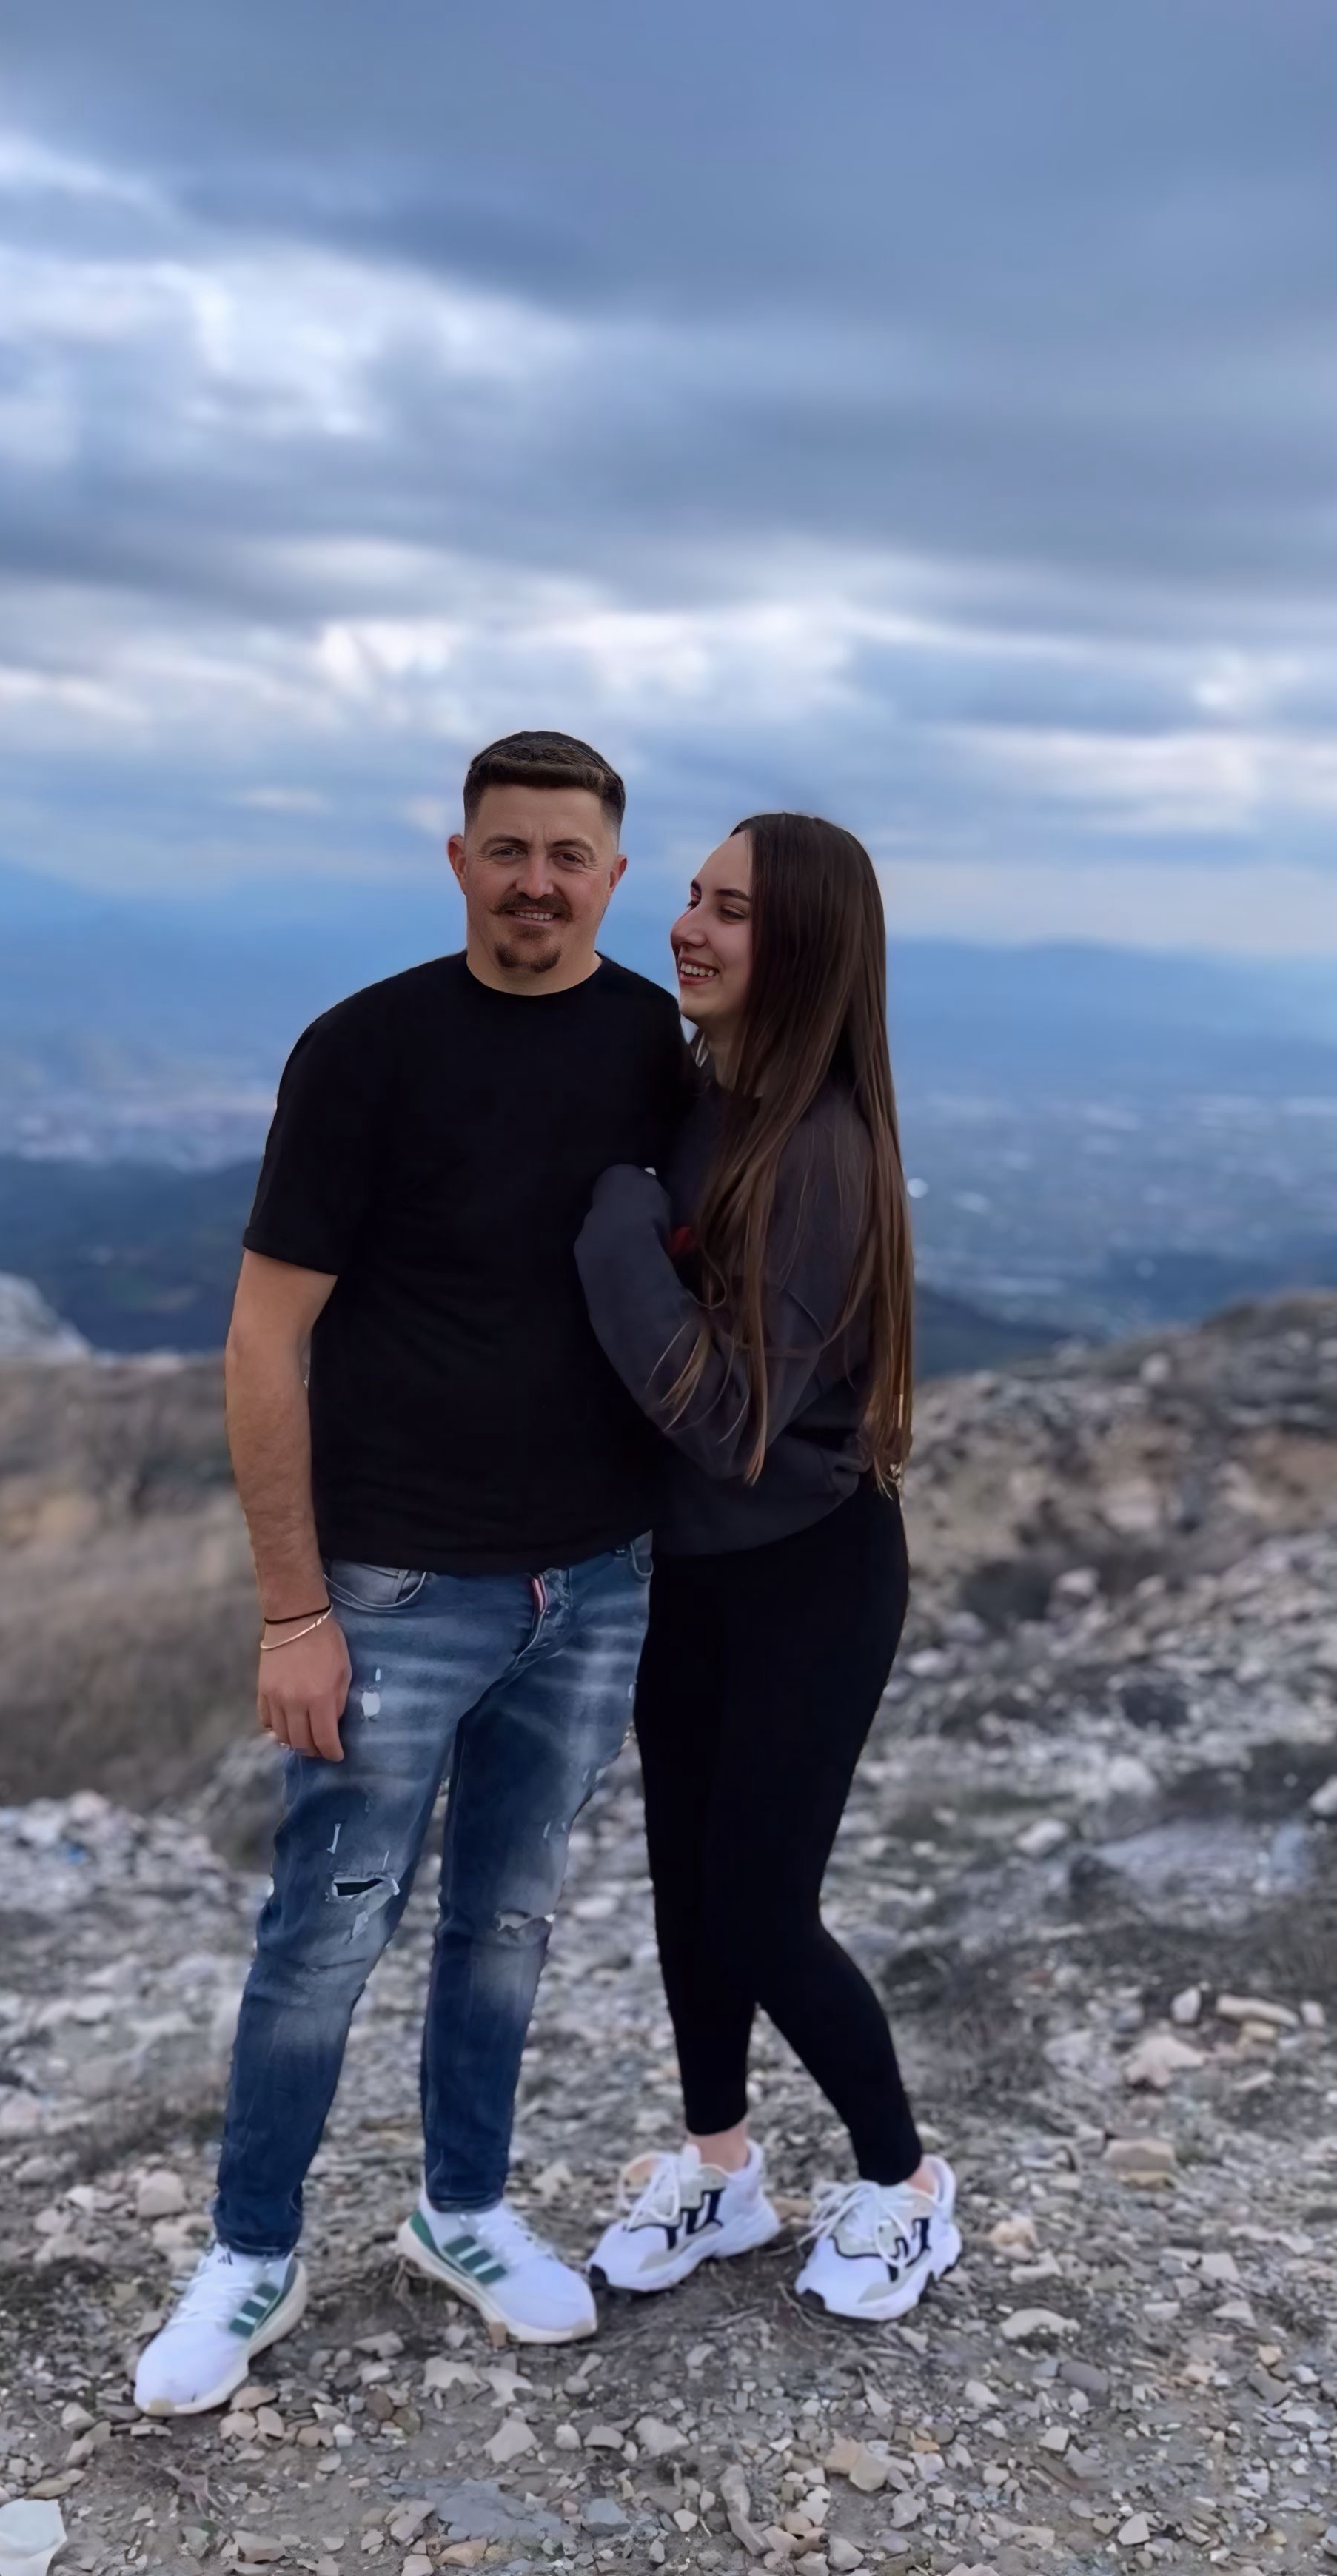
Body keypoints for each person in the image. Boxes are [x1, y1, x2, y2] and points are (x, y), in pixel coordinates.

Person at [134, 731, 690, 2413]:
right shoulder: (365, 1049)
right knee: (325, 1931)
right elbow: (263, 1339)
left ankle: (463, 2211)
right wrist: (292, 1609)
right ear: (458, 861)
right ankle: (249, 2253)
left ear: (613, 876)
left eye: (569, 856)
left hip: (593, 1579)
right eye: (506, 849)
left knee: (507, 1919)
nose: (536, 882)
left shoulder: (649, 1043)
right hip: (391, 1586)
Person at [574, 811, 960, 2322]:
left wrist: (616, 1225)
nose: (688, 925)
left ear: (799, 945)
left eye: (730, 909)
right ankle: (720, 2167)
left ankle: (905, 2185)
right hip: (692, 1570)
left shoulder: (817, 1152)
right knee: (685, 1881)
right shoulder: (697, 1099)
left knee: (756, 1904)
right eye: (690, 896)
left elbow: (728, 1421)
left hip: (808, 1572)